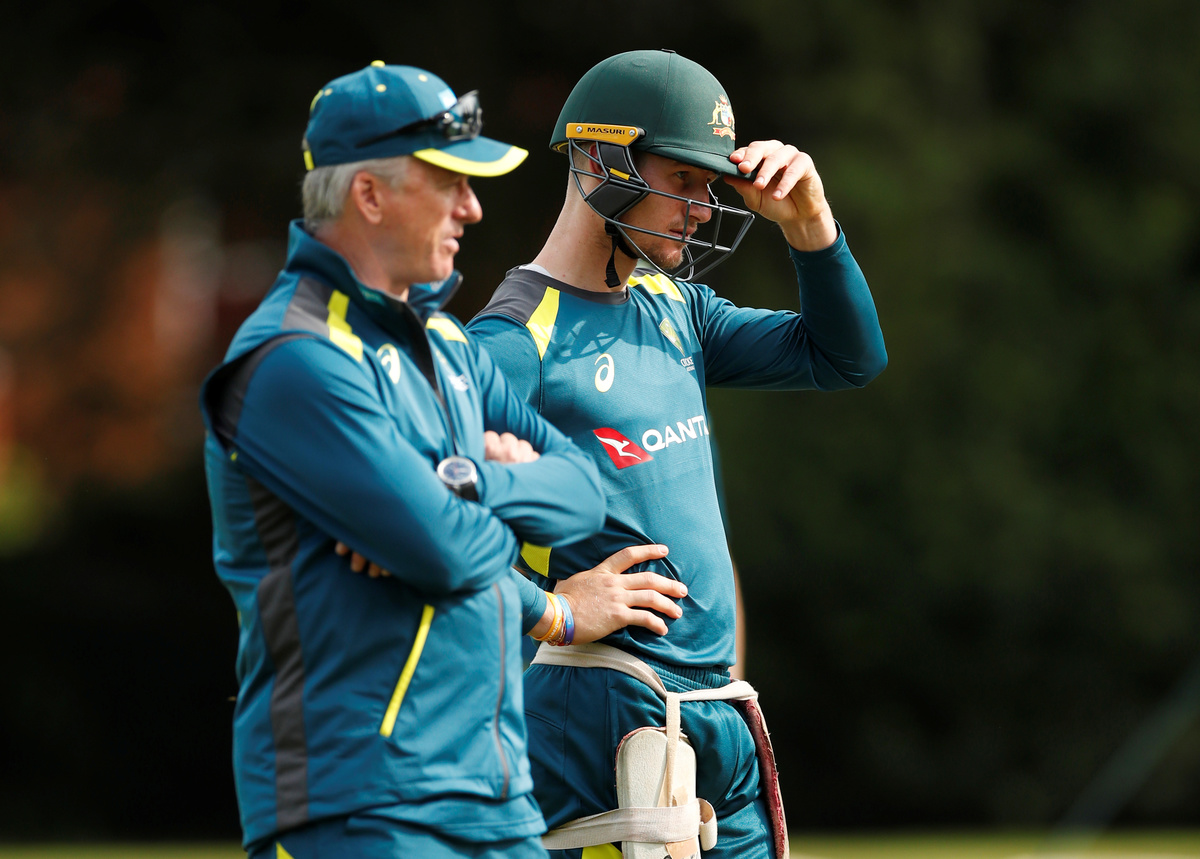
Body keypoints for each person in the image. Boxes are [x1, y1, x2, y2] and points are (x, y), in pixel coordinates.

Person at [465, 49, 888, 859]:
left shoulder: (673, 307)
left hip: (717, 708)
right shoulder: (510, 342)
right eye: (683, 180)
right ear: (602, 161)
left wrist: (811, 225)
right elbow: (427, 530)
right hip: (597, 705)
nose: (702, 207)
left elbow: (846, 357)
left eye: (710, 184)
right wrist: (556, 606)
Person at [199, 61, 608, 859]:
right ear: (369, 194)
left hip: (498, 801)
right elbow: (445, 551)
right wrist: (482, 511)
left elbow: (584, 490)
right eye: (450, 180)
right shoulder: (292, 359)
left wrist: (463, 481)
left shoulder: (451, 343)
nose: (472, 206)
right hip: (358, 807)